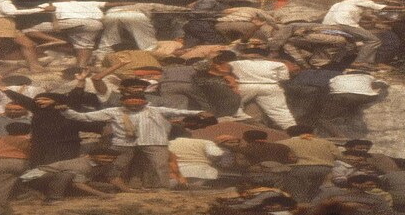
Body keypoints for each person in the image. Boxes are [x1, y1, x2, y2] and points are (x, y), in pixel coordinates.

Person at [57, 96, 207, 190]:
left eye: (138, 102)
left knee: (159, 165)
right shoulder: (113, 111)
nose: (135, 104)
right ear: (123, 102)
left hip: (152, 141)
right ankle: (118, 188)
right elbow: (84, 117)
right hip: (124, 143)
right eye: (131, 102)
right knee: (116, 166)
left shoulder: (155, 110)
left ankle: (162, 189)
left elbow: (178, 112)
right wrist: (66, 111)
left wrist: (198, 113)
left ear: (145, 102)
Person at [228, 50, 297, 130]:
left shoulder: (234, 63)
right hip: (270, 86)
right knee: (280, 112)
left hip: (245, 85)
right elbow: (283, 79)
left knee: (234, 106)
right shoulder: (278, 64)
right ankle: (294, 130)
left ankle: (243, 118)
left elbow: (226, 72)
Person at [278, 125, 342, 202]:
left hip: (298, 169)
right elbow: (338, 156)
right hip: (325, 169)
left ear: (289, 133)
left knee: (298, 193)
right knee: (317, 192)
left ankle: (301, 206)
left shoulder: (283, 143)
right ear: (311, 132)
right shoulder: (326, 142)